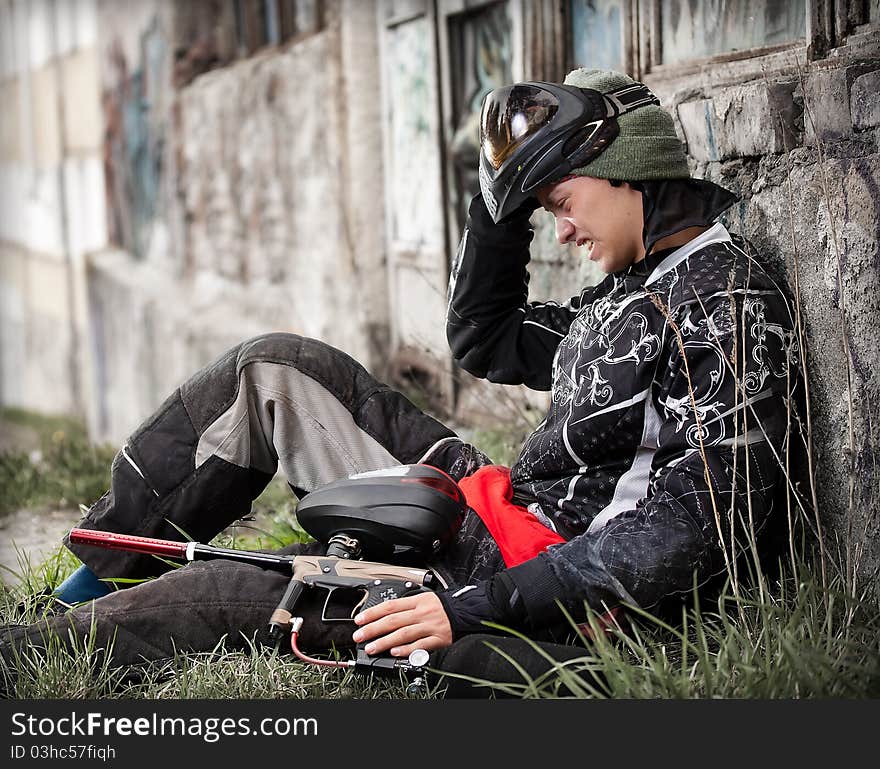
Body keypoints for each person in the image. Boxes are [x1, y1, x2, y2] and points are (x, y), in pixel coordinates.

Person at [1, 68, 800, 696]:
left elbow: (695, 527)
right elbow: (484, 336)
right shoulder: (628, 291)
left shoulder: (721, 308)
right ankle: (85, 578)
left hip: (494, 577)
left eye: (560, 201)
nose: (561, 227)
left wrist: (470, 610)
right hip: (481, 505)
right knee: (274, 365)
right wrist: (501, 201)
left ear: (627, 170)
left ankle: (28, 653)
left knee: (221, 595)